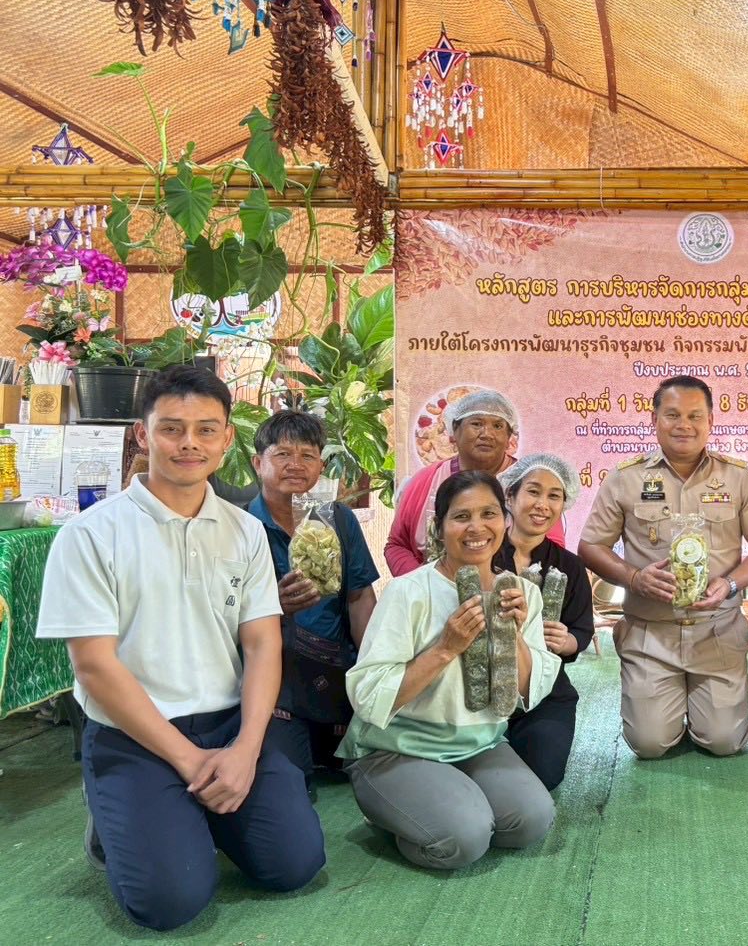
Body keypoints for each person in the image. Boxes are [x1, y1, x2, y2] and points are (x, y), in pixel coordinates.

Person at [35, 366, 324, 931]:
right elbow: (94, 667)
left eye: (205, 429)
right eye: (172, 429)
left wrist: (244, 749)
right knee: (169, 904)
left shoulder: (243, 532)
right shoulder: (90, 535)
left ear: (226, 439)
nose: (189, 443)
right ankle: (124, 814)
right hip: (134, 736)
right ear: (143, 434)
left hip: (229, 728)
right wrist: (189, 761)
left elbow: (263, 645)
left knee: (294, 865)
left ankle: (184, 813)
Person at [339, 471, 559, 869]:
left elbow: (529, 692)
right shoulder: (408, 591)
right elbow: (368, 693)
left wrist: (515, 636)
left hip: (480, 744)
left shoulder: (521, 593)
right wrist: (445, 648)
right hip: (397, 749)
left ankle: (441, 805)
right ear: (439, 527)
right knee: (465, 839)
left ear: (505, 520)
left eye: (489, 513)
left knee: (532, 819)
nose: (477, 528)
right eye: (461, 517)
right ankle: (393, 812)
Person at [579, 375, 748, 759]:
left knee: (723, 742)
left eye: (694, 415)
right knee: (650, 744)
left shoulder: (738, 477)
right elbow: (591, 546)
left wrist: (732, 584)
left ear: (710, 422)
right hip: (650, 633)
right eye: (671, 414)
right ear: (653, 420)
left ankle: (704, 713)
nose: (683, 424)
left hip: (716, 630)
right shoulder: (626, 478)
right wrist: (634, 579)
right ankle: (669, 712)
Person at [247, 410, 379, 782]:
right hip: (276, 675)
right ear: (259, 463)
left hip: (335, 667)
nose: (296, 465)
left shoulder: (338, 519)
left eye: (307, 455)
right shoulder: (242, 527)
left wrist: (373, 668)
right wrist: (271, 605)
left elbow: (359, 598)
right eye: (283, 454)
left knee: (363, 766)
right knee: (289, 778)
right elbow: (223, 614)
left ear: (321, 465)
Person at [496, 454, 594, 790]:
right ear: (510, 496)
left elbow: (582, 629)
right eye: (534, 492)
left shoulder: (569, 566)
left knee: (543, 775)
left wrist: (569, 642)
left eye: (554, 496)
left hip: (545, 689)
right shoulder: (481, 553)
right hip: (479, 683)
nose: (542, 504)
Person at [385, 390, 557, 576]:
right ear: (454, 432)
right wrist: (427, 586)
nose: (487, 434)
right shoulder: (425, 481)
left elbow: (554, 551)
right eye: (477, 424)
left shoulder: (534, 483)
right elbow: (397, 545)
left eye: (498, 426)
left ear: (510, 438)